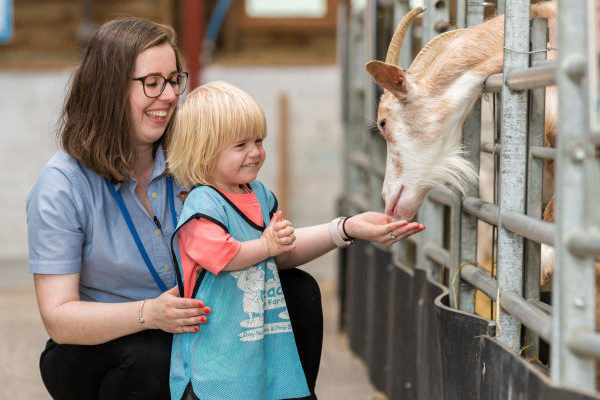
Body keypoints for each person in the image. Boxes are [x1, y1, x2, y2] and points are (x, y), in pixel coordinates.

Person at [25, 16, 422, 400]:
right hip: (100, 342)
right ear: (108, 88)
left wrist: (347, 228)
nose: (168, 95)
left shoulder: (191, 161)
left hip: (184, 321)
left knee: (298, 292)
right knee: (153, 359)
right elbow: (60, 318)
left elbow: (262, 251)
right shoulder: (62, 186)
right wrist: (149, 313)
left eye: (173, 80)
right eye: (151, 83)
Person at [165, 81, 425, 400]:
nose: (255, 152)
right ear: (203, 151)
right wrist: (267, 245)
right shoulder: (203, 205)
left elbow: (281, 254)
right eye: (240, 145)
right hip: (217, 361)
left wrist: (349, 228)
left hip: (263, 348)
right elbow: (223, 255)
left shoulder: (259, 195)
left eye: (258, 141)